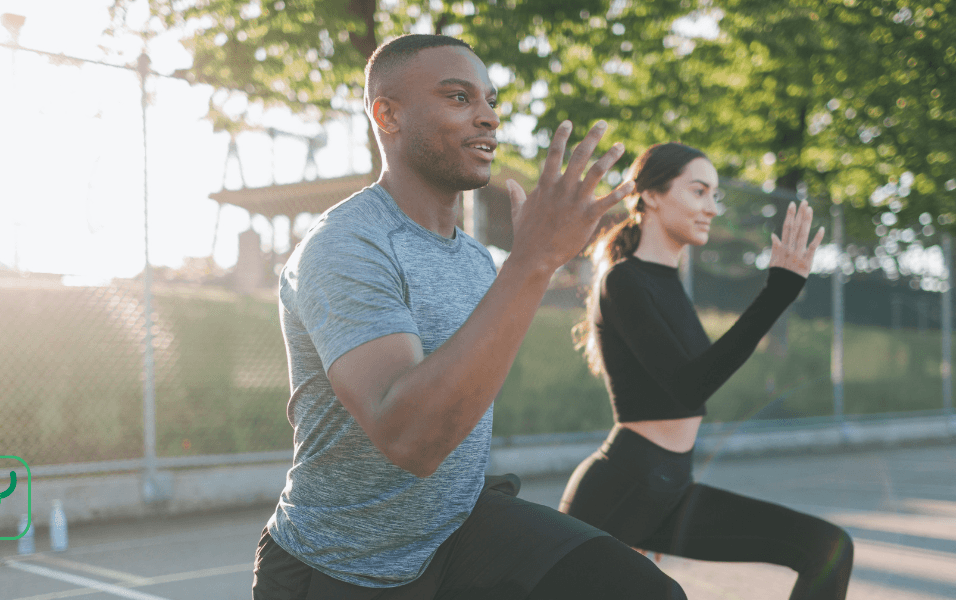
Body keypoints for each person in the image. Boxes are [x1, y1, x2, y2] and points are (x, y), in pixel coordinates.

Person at [252, 35, 688, 600]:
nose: (487, 116)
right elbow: (412, 440)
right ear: (387, 114)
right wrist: (534, 261)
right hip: (344, 562)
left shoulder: (475, 259)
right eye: (459, 98)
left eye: (491, 100)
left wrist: (530, 264)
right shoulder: (345, 246)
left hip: (455, 529)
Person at [560, 142, 854, 600]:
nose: (711, 208)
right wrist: (777, 292)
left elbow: (694, 378)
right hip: (620, 493)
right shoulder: (622, 280)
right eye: (699, 192)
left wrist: (781, 289)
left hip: (670, 487)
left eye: (715, 195)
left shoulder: (666, 282)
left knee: (826, 547)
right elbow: (689, 387)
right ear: (652, 195)